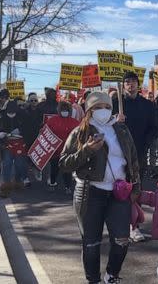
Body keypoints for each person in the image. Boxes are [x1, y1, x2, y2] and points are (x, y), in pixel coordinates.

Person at [59, 91, 141, 284]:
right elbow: (64, 163)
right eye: (97, 107)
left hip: (119, 194)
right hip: (89, 193)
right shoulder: (80, 132)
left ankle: (111, 275)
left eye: (106, 107)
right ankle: (93, 280)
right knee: (91, 243)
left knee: (122, 240)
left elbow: (134, 161)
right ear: (89, 110)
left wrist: (135, 189)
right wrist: (87, 150)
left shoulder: (121, 129)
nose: (103, 111)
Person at [113, 71, 157, 242]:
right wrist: (116, 120)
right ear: (123, 85)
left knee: (134, 189)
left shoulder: (147, 105)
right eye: (127, 82)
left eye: (133, 82)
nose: (130, 85)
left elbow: (153, 128)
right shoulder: (115, 103)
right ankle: (118, 223)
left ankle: (133, 226)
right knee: (117, 189)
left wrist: (144, 146)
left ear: (138, 85)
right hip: (117, 153)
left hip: (138, 153)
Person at [0, 100, 28, 198]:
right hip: (6, 143)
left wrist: (21, 131)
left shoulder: (22, 115)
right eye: (9, 113)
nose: (11, 114)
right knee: (7, 164)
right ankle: (6, 187)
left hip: (19, 143)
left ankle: (17, 181)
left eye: (13, 113)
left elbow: (29, 127)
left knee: (19, 164)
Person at [44, 101, 80, 194]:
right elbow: (45, 132)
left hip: (68, 151)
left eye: (67, 110)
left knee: (67, 170)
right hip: (55, 150)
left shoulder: (75, 122)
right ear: (59, 110)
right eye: (63, 110)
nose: (65, 111)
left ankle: (67, 187)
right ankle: (52, 183)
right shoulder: (52, 120)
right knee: (54, 168)